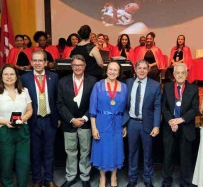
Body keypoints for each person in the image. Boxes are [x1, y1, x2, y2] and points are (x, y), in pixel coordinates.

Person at [21, 50, 60, 187]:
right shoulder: (24, 78)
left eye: (40, 60)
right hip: (33, 120)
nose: (37, 63)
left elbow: (57, 99)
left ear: (45, 62)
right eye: (35, 60)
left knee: (49, 151)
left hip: (50, 120)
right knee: (35, 152)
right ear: (31, 62)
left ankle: (49, 179)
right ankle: (37, 180)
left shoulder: (54, 77)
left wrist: (58, 117)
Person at [57, 55, 97, 187]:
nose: (78, 67)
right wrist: (72, 119)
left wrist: (84, 118)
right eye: (75, 65)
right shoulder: (63, 81)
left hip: (86, 122)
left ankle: (85, 177)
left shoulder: (93, 81)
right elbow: (60, 104)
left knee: (85, 151)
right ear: (71, 66)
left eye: (80, 65)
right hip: (69, 122)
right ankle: (71, 176)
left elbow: (94, 102)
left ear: (84, 66)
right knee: (70, 151)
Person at [90, 61, 128, 187]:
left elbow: (126, 108)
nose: (112, 72)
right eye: (110, 69)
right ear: (106, 71)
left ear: (119, 73)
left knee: (116, 149)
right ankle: (102, 177)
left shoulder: (124, 87)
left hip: (117, 123)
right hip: (101, 122)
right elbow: (92, 109)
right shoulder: (98, 86)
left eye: (115, 70)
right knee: (102, 149)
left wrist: (124, 125)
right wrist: (94, 127)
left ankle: (113, 177)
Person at [124, 59, 161, 187]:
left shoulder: (155, 85)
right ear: (135, 69)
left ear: (148, 70)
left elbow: (157, 107)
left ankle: (147, 178)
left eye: (145, 68)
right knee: (132, 152)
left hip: (148, 124)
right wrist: (124, 124)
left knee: (148, 153)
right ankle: (132, 178)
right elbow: (124, 105)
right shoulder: (128, 83)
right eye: (139, 68)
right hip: (132, 123)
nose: (142, 70)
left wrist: (156, 125)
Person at [162, 63, 199, 187]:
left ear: (187, 74)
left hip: (186, 127)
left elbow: (194, 109)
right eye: (177, 73)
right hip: (170, 126)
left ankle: (185, 182)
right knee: (168, 156)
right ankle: (167, 181)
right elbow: (164, 107)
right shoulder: (167, 87)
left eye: (183, 73)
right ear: (173, 74)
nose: (180, 75)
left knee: (186, 158)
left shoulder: (193, 89)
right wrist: (172, 121)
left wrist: (181, 120)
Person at [0, 64, 33, 187]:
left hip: (22, 131)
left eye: (12, 74)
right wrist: (5, 122)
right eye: (6, 74)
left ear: (16, 76)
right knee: (6, 164)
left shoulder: (24, 91)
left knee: (23, 163)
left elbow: (30, 110)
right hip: (4, 131)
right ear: (1, 76)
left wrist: (23, 118)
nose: (9, 77)